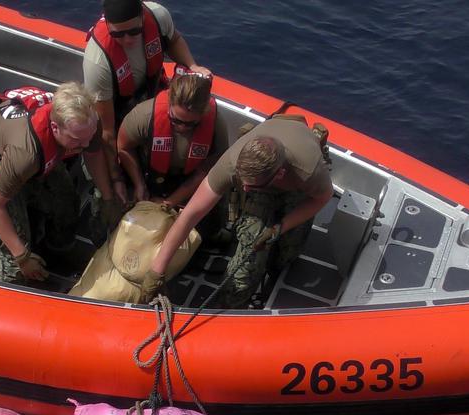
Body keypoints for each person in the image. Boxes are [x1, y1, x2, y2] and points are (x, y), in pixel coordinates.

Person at [140, 116, 334, 308]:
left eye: (250, 186)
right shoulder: (232, 164)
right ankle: (231, 303)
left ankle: (279, 264)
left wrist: (280, 228)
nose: (246, 191)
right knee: (252, 240)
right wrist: (157, 272)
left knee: (288, 252)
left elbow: (322, 198)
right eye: (244, 184)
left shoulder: (309, 170)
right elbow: (189, 215)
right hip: (263, 184)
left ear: (279, 175)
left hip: (297, 185)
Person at [0, 82, 113, 284]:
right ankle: (5, 291)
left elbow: (92, 151)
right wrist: (22, 257)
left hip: (39, 157)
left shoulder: (86, 123)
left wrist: (108, 197)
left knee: (65, 202)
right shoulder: (26, 154)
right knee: (11, 258)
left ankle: (59, 249)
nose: (83, 145)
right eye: (78, 141)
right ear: (55, 127)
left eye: (87, 138)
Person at [83, 0, 211, 230]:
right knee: (108, 189)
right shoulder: (97, 61)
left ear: (143, 17)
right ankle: (103, 226)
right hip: (114, 112)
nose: (127, 40)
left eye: (134, 31)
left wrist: (193, 66)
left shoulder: (158, 16)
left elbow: (173, 40)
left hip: (150, 95)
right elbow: (107, 132)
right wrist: (116, 178)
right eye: (118, 35)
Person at [116, 71, 229, 223]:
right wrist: (139, 184)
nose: (182, 128)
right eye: (176, 120)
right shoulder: (143, 116)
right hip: (149, 175)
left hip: (189, 181)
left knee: (208, 223)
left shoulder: (216, 125)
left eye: (190, 124)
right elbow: (123, 147)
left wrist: (169, 203)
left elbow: (207, 170)